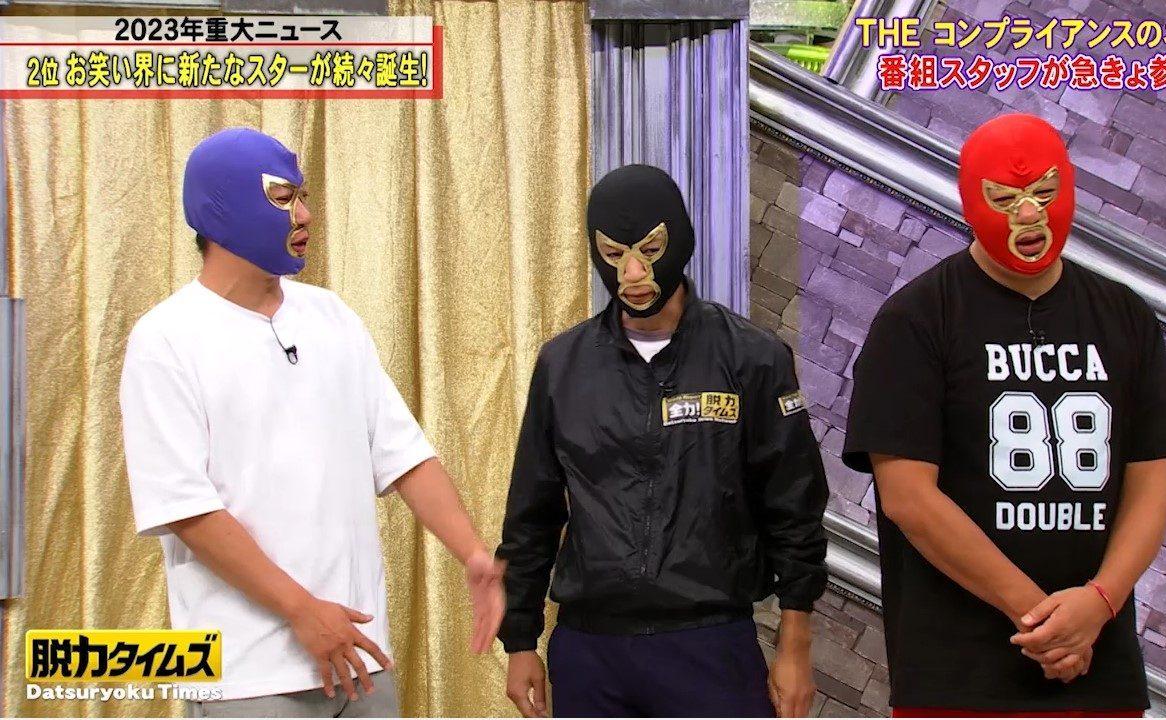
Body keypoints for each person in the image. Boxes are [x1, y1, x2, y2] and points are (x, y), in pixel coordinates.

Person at [120, 127, 504, 717]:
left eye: (303, 196)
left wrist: (473, 554)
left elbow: (403, 454)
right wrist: (302, 610)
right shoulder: (166, 339)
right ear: (220, 210)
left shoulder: (332, 317)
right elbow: (186, 509)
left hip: (360, 659)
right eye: (283, 198)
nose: (304, 214)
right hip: (248, 675)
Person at [841, 113, 1166, 717]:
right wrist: (1043, 619)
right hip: (957, 677)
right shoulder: (916, 319)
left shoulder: (1124, 315)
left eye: (1045, 193)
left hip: (1097, 670)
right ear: (970, 201)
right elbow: (908, 497)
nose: (1029, 215)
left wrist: (1099, 602)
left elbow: (1151, 480)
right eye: (1005, 199)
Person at [497, 164, 830, 718]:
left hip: (711, 643)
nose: (632, 273)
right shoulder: (562, 365)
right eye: (613, 254)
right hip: (590, 651)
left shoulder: (753, 357)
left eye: (649, 250)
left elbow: (794, 505)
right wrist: (519, 640)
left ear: (679, 241)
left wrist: (796, 645)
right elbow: (531, 512)